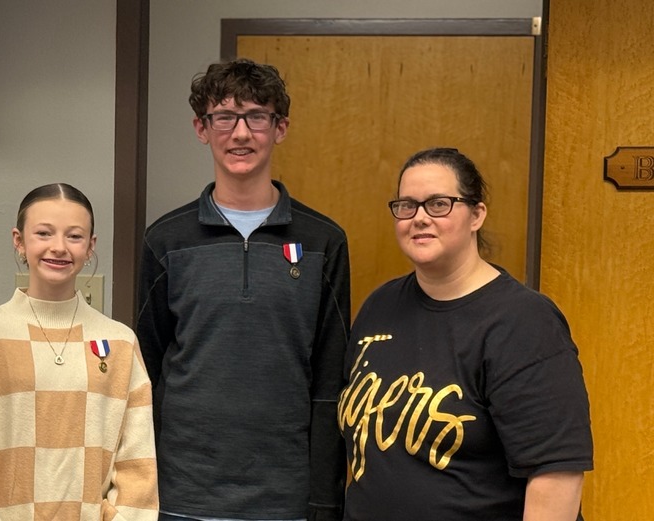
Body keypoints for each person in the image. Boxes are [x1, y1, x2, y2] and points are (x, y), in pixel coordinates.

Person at [136, 58, 351, 521]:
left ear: (280, 128)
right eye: (224, 117)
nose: (240, 133)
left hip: (287, 496)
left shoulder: (323, 242)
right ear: (202, 128)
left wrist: (324, 497)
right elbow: (146, 376)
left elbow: (331, 380)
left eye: (256, 117)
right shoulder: (165, 241)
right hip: (183, 492)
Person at [337, 147, 593, 520]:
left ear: (477, 215)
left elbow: (557, 474)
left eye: (439, 204)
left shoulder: (523, 323)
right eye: (406, 205)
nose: (419, 218)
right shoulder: (380, 306)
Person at [0, 183, 158, 520]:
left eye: (74, 236)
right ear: (18, 240)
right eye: (44, 233)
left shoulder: (120, 342)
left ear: (91, 246)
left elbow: (137, 464)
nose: (59, 247)